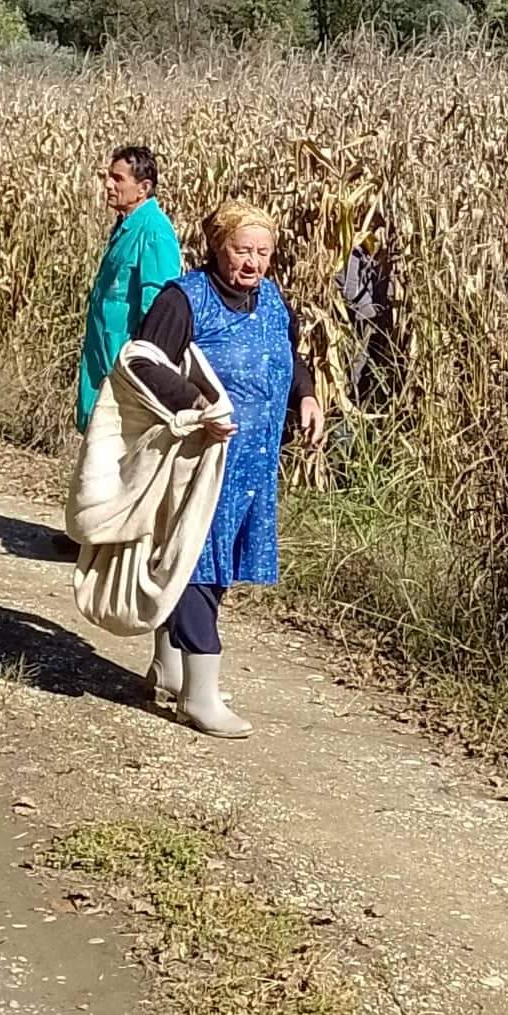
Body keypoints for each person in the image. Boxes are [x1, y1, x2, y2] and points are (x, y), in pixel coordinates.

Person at [127, 201, 324, 738]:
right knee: (196, 559)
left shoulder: (272, 299)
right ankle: (200, 692)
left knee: (219, 564)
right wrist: (199, 403)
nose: (253, 263)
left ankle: (170, 667)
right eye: (242, 250)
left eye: (263, 252)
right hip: (202, 460)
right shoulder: (183, 299)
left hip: (256, 464)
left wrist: (304, 395)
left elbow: (284, 352)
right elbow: (141, 361)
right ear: (217, 246)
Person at [76, 145, 183, 435]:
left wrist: (142, 367)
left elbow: (158, 308)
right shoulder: (127, 225)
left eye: (118, 179)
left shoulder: (154, 232)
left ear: (143, 187)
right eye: (108, 177)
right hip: (104, 360)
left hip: (124, 367)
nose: (108, 185)